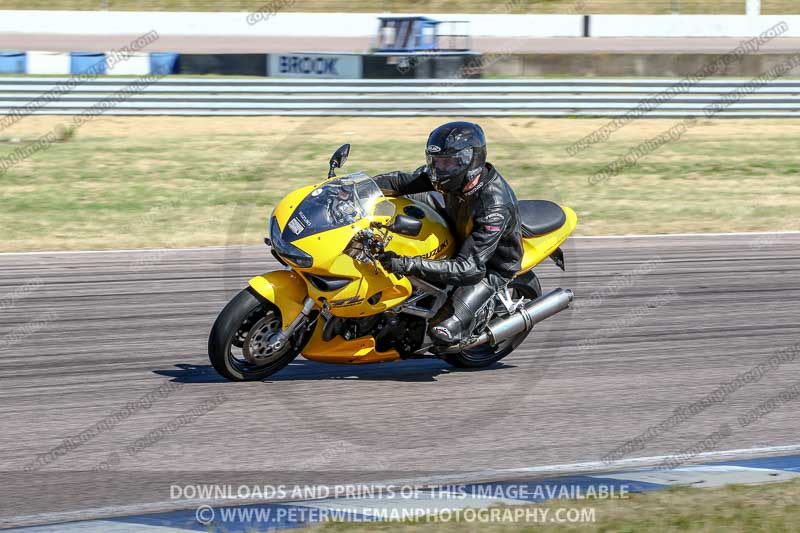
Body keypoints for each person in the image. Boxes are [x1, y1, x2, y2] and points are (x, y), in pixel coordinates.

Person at [373, 121, 523, 347]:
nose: (440, 168)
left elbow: (468, 269)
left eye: (448, 162)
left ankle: (470, 326)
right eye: (437, 161)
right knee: (402, 201)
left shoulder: (493, 206)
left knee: (441, 333)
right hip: (455, 232)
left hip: (488, 267)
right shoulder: (448, 177)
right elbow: (399, 182)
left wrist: (406, 264)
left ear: (471, 161)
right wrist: (353, 188)